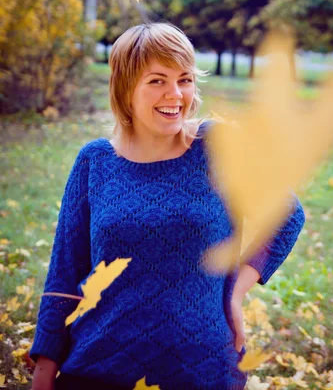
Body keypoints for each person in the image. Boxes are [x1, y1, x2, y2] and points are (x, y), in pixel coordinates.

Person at [30, 22, 306, 390]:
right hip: (98, 367)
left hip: (203, 368)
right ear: (125, 88)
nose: (175, 94)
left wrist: (236, 292)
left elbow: (287, 215)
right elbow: (65, 273)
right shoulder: (94, 161)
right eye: (157, 80)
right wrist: (44, 371)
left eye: (185, 79)